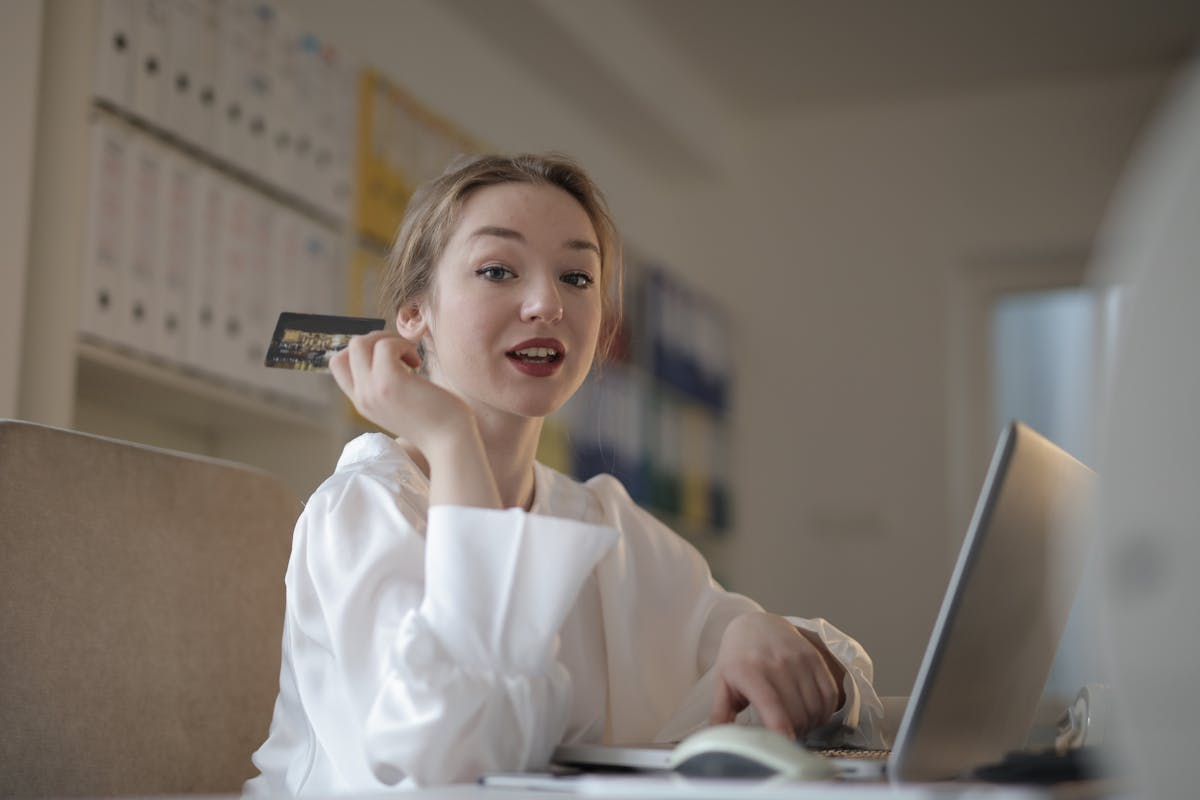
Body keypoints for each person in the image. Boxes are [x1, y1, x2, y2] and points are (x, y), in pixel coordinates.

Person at [244, 153, 884, 794]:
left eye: (577, 277)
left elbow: (838, 687)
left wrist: (765, 632)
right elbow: (453, 763)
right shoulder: (364, 505)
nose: (547, 303)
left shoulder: (602, 519)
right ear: (415, 313)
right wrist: (450, 438)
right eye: (497, 270)